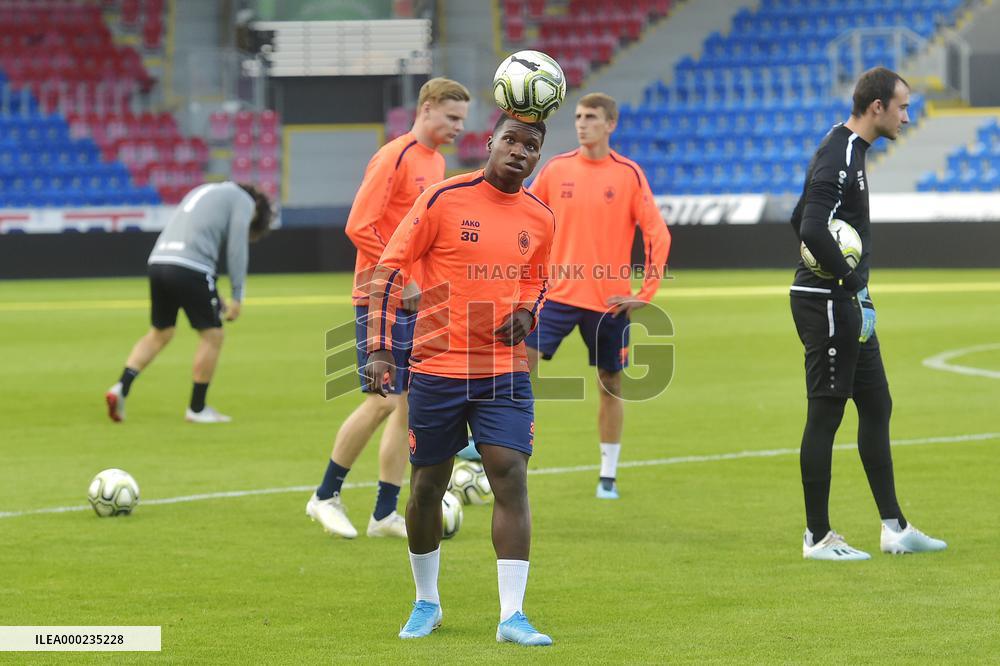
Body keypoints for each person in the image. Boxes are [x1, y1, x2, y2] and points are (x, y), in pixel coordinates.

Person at [364, 113, 554, 645]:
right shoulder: (444, 199)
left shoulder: (540, 216)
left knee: (509, 474)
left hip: (502, 371)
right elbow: (390, 268)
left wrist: (528, 314)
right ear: (490, 142)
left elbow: (539, 280)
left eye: (531, 145)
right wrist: (379, 347)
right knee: (427, 485)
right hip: (437, 367)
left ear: (538, 156)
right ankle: (426, 602)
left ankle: (512, 615)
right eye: (511, 140)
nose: (519, 151)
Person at [790, 67, 946, 560]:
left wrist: (856, 289)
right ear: (875, 106)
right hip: (828, 302)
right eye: (902, 105)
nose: (907, 114)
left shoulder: (850, 151)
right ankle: (817, 536)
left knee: (877, 406)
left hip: (848, 301)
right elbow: (811, 228)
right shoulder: (839, 152)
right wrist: (852, 282)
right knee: (826, 413)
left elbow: (802, 217)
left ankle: (895, 527)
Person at [306, 78, 470, 540]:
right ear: (428, 107)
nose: (459, 127)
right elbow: (359, 225)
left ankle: (383, 513)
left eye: (462, 119)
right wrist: (407, 278)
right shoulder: (393, 156)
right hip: (380, 297)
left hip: (417, 301)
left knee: (406, 408)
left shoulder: (436, 162)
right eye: (453, 117)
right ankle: (324, 496)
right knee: (381, 402)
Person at [524, 92, 671, 499]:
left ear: (610, 124)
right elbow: (526, 222)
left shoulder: (628, 174)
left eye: (591, 117)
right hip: (556, 295)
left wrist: (647, 291)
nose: (581, 123)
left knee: (611, 383)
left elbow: (657, 234)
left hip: (609, 303)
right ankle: (496, 452)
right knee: (518, 369)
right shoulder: (555, 170)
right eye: (578, 116)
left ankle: (608, 473)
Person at [105, 182, 273, 423]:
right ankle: (197, 408)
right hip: (192, 267)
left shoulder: (205, 191)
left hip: (159, 262)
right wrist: (237, 296)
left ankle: (121, 387)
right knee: (213, 335)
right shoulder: (244, 202)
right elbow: (237, 249)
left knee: (160, 333)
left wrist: (212, 290)